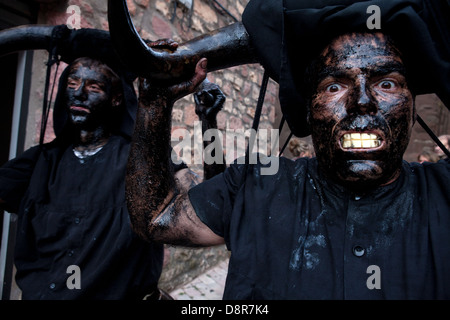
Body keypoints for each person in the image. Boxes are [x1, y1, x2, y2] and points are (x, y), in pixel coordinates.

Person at [125, 1, 450, 299]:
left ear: (413, 107)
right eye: (334, 86)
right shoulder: (257, 186)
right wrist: (155, 104)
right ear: (308, 111)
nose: (362, 102)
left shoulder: (442, 196)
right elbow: (159, 216)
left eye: (386, 83)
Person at [0, 53, 225, 299]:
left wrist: (208, 122)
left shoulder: (143, 159)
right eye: (72, 84)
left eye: (94, 87)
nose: (80, 93)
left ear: (117, 99)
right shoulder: (38, 162)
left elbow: (212, 211)